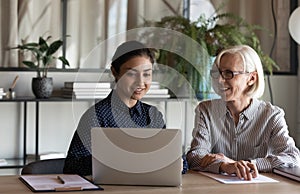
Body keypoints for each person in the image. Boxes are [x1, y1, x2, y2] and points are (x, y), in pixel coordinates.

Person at [186, 45, 300, 180]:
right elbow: (195, 157)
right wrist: (224, 165)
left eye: (229, 73)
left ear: (251, 78)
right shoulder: (206, 110)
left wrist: (248, 165)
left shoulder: (272, 116)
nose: (220, 80)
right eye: (217, 73)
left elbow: (292, 157)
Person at [63, 40, 165, 176]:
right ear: (115, 72)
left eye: (146, 74)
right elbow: (72, 166)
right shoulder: (96, 116)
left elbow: (176, 157)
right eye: (131, 74)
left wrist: (178, 163)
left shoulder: (153, 115)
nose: (140, 82)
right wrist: (116, 161)